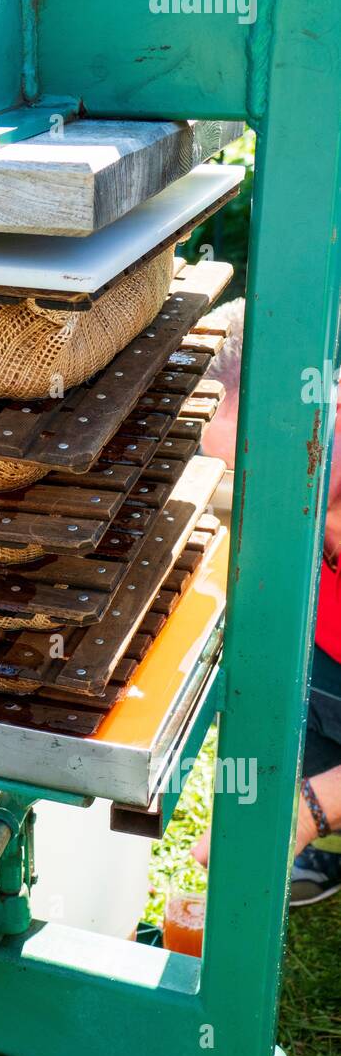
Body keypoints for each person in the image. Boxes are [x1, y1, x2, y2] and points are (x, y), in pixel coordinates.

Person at [190, 301, 341, 904]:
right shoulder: (306, 510)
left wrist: (306, 808)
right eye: (237, 472)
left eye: (270, 455)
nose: (263, 492)